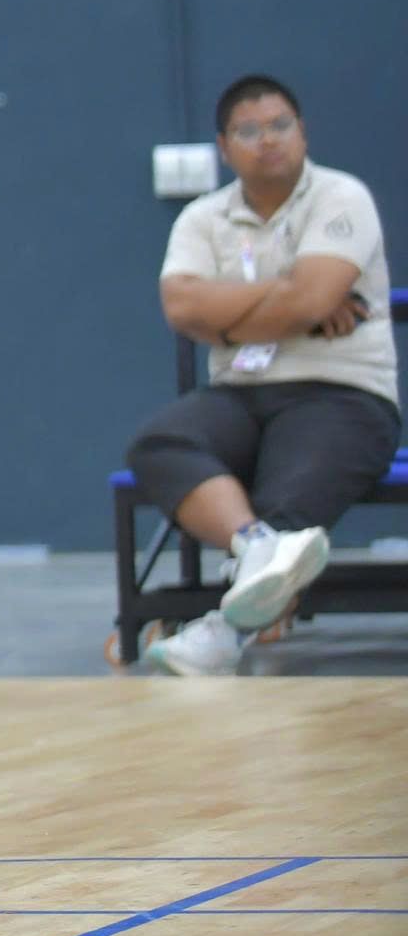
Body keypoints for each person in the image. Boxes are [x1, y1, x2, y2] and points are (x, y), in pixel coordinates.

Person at [130, 74, 399, 677]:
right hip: (240, 393)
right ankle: (255, 548)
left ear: (303, 133)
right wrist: (288, 296)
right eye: (249, 131)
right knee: (162, 442)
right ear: (224, 148)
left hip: (344, 393)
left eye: (280, 125)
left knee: (290, 493)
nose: (268, 140)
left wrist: (229, 318)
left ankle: (223, 633)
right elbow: (181, 308)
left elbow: (311, 298)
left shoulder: (341, 197)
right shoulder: (202, 218)